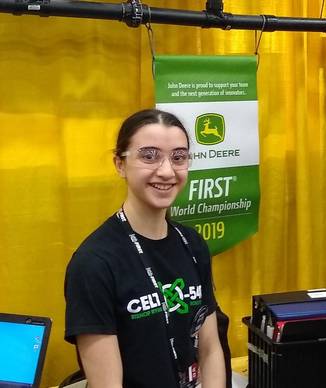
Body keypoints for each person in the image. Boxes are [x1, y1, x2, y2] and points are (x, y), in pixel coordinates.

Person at [64, 109, 226, 388]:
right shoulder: (94, 263)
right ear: (120, 164)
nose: (166, 171)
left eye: (178, 157)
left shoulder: (192, 244)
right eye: (149, 156)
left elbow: (210, 349)